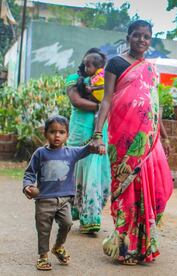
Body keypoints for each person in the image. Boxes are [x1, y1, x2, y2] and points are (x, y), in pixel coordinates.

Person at [91, 20, 174, 264]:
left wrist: (165, 136)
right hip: (124, 138)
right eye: (137, 35)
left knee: (151, 189)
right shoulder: (115, 63)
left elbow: (155, 106)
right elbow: (106, 100)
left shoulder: (151, 68)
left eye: (146, 36)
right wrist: (97, 133)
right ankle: (125, 246)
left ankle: (144, 246)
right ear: (128, 37)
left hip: (148, 140)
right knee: (127, 187)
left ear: (150, 40)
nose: (141, 40)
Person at [22, 115, 96, 270]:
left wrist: (97, 143)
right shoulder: (40, 153)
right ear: (45, 133)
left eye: (61, 132)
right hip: (44, 201)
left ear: (67, 135)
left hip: (64, 200)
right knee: (43, 229)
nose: (57, 135)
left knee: (67, 223)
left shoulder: (72, 152)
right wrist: (28, 186)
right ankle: (43, 256)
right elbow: (29, 173)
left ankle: (58, 246)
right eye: (52, 132)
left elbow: (88, 149)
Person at [65, 48, 111, 234]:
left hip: (99, 132)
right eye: (86, 63)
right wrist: (103, 105)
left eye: (91, 64)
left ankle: (91, 218)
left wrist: (105, 103)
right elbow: (76, 101)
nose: (87, 67)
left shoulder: (104, 80)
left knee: (96, 175)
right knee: (77, 172)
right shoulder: (73, 79)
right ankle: (73, 213)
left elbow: (110, 97)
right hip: (79, 132)